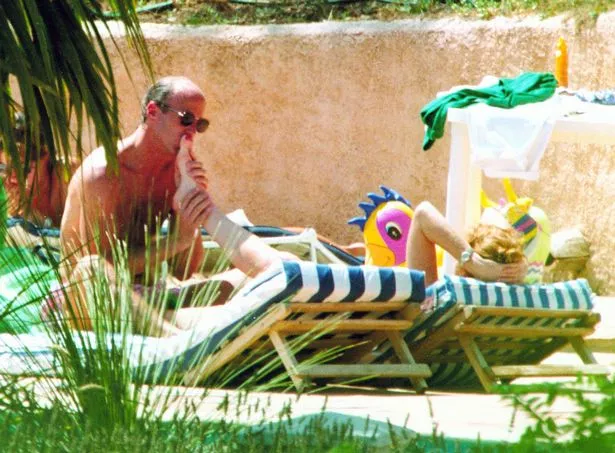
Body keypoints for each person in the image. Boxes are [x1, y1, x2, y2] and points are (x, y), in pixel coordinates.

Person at [59, 76, 287, 336]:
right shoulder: (102, 175)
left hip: (149, 296)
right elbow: (99, 268)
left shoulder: (174, 173)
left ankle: (172, 328)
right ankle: (175, 339)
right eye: (186, 119)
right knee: (93, 269)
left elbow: (184, 271)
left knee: (255, 277)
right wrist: (176, 241)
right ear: (153, 111)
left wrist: (189, 204)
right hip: (90, 301)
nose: (192, 131)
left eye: (200, 124)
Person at [405, 201, 527, 286]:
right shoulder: (523, 306)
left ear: (463, 271)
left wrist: (473, 262)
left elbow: (422, 214)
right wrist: (522, 264)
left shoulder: (431, 306)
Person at [0, 112, 75, 227]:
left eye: (23, 169)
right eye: (3, 168)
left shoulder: (67, 175)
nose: (11, 179)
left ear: (47, 159)